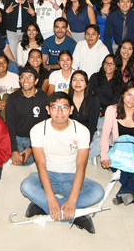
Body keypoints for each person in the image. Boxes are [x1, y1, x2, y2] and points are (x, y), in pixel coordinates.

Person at [19, 91, 104, 233]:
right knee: (26, 185)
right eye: (55, 107)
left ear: (71, 110)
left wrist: (72, 200)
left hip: (70, 178)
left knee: (98, 192)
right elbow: (41, 165)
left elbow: (81, 166)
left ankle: (42, 207)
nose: (59, 112)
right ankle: (74, 217)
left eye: (64, 107)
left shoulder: (82, 131)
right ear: (48, 110)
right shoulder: (37, 130)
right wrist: (51, 200)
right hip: (47, 176)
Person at [100, 82, 134, 205]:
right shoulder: (112, 110)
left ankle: (125, 193)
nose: (131, 99)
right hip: (118, 151)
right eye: (129, 94)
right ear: (123, 94)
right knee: (123, 166)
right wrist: (104, 156)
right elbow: (105, 135)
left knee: (133, 167)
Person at [4, 66, 49, 166]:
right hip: (17, 138)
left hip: (35, 139)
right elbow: (10, 125)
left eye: (30, 77)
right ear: (19, 80)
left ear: (36, 81)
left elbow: (45, 126)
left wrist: (31, 148)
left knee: (37, 160)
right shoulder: (12, 98)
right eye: (23, 77)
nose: (26, 80)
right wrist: (14, 150)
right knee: (18, 161)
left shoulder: (43, 97)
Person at [68, 71, 101, 142]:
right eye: (75, 80)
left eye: (81, 80)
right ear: (71, 83)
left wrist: (86, 143)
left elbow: (92, 125)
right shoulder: (66, 100)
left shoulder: (94, 100)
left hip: (88, 135)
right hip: (69, 135)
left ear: (86, 84)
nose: (78, 83)